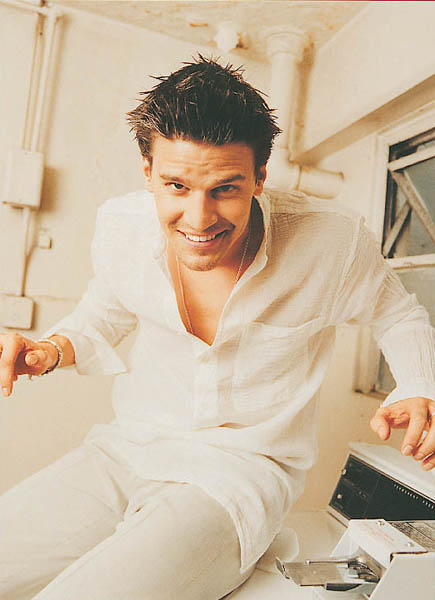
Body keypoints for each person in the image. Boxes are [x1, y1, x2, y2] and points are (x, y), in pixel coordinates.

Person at [0, 56, 434, 600]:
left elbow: (399, 313)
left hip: (237, 477)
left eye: (225, 188)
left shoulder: (332, 241)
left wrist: (420, 384)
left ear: (260, 178)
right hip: (124, 450)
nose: (199, 218)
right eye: (176, 186)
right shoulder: (120, 226)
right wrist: (50, 349)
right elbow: (102, 314)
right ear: (147, 173)